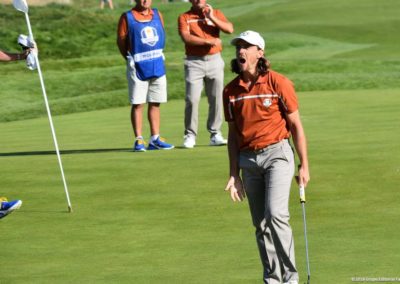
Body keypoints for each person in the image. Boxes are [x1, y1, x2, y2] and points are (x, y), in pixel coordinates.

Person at [223, 31, 310, 284]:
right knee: (260, 225)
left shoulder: (278, 83)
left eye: (246, 46)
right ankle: (273, 279)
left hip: (278, 154)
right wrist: (233, 174)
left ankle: (290, 278)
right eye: (238, 46)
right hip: (248, 161)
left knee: (275, 215)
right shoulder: (231, 90)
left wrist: (304, 164)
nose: (240, 50)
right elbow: (233, 135)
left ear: (259, 53)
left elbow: (295, 125)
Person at [117, 0, 174, 151]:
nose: (145, 0)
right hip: (137, 66)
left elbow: (162, 37)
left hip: (157, 64)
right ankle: (139, 139)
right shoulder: (127, 17)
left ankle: (155, 138)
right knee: (138, 103)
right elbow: (121, 42)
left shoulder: (157, 14)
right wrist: (130, 58)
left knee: (155, 102)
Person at [178, 0, 233, 148]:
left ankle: (215, 134)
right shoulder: (185, 17)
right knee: (192, 99)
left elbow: (229, 29)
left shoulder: (215, 13)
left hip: (215, 60)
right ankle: (190, 135)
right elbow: (186, 37)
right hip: (194, 62)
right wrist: (208, 41)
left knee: (216, 98)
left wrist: (212, 18)